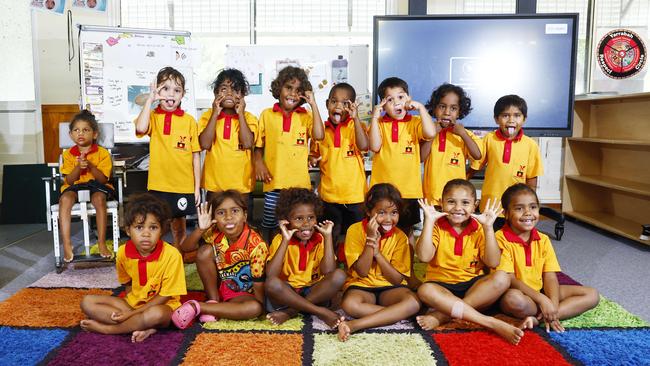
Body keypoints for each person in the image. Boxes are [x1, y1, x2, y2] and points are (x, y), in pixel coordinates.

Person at [415, 179, 524, 344]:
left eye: (465, 203)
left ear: (475, 205)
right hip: (442, 286)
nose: (458, 208)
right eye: (451, 202)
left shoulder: (480, 227)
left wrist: (488, 228)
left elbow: (493, 262)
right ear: (441, 203)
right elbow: (424, 256)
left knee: (502, 278)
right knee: (424, 290)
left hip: (473, 288)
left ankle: (443, 315)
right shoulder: (436, 226)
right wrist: (428, 222)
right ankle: (491, 322)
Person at [79, 193, 187, 342]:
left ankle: (108, 329)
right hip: (132, 305)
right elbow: (128, 284)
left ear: (161, 230)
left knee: (156, 315)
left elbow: (165, 296)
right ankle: (143, 326)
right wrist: (132, 311)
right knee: (87, 302)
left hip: (164, 306)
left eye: (153, 227)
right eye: (139, 227)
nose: (146, 234)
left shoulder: (172, 255)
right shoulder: (123, 252)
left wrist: (130, 315)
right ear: (128, 230)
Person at [497, 183, 599, 332]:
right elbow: (511, 280)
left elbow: (550, 277)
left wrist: (552, 304)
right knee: (513, 299)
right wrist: (542, 300)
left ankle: (545, 317)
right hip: (518, 293)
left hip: (541, 290)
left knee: (592, 295)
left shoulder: (543, 239)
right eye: (519, 208)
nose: (527, 213)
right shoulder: (500, 239)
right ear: (506, 213)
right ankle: (544, 314)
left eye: (533, 207)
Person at [172, 190, 268, 328]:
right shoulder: (214, 232)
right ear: (214, 217)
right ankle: (213, 301)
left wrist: (261, 310)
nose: (229, 217)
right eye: (221, 212)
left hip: (245, 293)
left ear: (245, 216)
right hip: (221, 287)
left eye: (235, 211)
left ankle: (199, 306)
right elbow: (186, 247)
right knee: (204, 251)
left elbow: (259, 283)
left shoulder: (256, 245)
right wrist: (201, 229)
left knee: (254, 308)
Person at [337, 183, 421, 341]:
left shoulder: (400, 237)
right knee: (349, 304)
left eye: (394, 212)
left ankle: (355, 325)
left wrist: (378, 254)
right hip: (362, 286)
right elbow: (362, 272)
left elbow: (396, 279)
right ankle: (394, 314)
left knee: (413, 301)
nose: (388, 219)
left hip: (390, 287)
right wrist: (370, 240)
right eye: (381, 212)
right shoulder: (354, 230)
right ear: (369, 212)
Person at [254, 66, 325, 241]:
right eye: (288, 88)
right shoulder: (267, 115)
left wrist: (313, 104)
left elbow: (319, 135)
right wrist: (259, 163)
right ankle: (268, 256)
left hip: (299, 186)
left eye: (298, 90)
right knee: (271, 224)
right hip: (274, 182)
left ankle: (295, 258)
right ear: (279, 88)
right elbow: (258, 145)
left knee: (298, 225)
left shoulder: (306, 116)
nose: (293, 94)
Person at [135, 67, 201, 252]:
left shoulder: (189, 121)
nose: (171, 94)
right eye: (165, 89)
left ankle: (178, 257)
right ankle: (158, 256)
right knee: (157, 224)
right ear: (158, 91)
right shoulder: (153, 117)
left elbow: (196, 156)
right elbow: (140, 128)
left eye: (177, 90)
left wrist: (196, 188)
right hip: (158, 185)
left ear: (183, 94)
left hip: (182, 185)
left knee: (179, 226)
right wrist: (150, 99)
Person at [264, 188, 346, 329]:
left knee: (339, 275)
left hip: (314, 292)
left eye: (310, 217)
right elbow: (271, 275)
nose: (306, 223)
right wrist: (285, 240)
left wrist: (327, 238)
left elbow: (329, 271)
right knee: (272, 284)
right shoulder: (280, 239)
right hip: (287, 294)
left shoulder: (320, 238)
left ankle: (290, 312)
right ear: (287, 221)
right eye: (298, 218)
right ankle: (319, 312)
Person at [368, 77, 436, 238]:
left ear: (408, 98)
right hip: (382, 192)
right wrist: (375, 117)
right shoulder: (379, 124)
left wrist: (420, 108)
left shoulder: (415, 122)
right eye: (390, 99)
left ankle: (407, 263)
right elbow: (375, 146)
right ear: (383, 104)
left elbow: (431, 133)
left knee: (407, 233)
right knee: (380, 232)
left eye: (401, 97)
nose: (397, 103)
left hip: (408, 192)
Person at [309, 82, 368, 248]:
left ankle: (352, 269)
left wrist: (355, 118)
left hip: (355, 197)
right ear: (327, 104)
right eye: (334, 101)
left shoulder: (357, 127)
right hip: (328, 197)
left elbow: (364, 146)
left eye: (345, 103)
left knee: (355, 238)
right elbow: (313, 155)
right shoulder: (320, 131)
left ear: (352, 107)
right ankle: (331, 266)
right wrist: (312, 159)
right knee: (330, 237)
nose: (338, 106)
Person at [469, 95, 543, 217]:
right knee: (489, 234)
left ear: (524, 119)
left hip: (517, 206)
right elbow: (475, 166)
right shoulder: (489, 139)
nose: (511, 120)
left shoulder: (531, 145)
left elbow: (531, 179)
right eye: (505, 115)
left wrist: (530, 204)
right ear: (496, 119)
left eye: (517, 115)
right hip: (490, 205)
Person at [58, 109, 115, 261]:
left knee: (99, 199)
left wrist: (90, 166)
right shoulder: (68, 154)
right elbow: (69, 181)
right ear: (70, 135)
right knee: (65, 199)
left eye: (85, 130)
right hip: (75, 186)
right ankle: (67, 244)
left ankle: (102, 243)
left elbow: (103, 180)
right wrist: (78, 167)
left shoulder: (102, 153)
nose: (80, 133)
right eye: (76, 130)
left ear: (94, 134)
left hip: (96, 185)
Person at [198, 69, 257, 205]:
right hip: (214, 185)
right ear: (215, 93)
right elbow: (204, 144)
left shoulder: (249, 118)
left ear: (243, 95)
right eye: (224, 89)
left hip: (242, 186)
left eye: (236, 90)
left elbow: (248, 143)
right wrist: (215, 114)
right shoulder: (207, 116)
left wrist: (240, 114)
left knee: (240, 222)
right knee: (213, 222)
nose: (229, 94)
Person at [421, 83, 481, 206]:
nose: (447, 112)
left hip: (457, 199)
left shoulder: (464, 134)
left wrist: (463, 134)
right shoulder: (427, 132)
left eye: (453, 108)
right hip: (432, 198)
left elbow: (477, 155)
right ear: (434, 108)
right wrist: (432, 134)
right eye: (442, 106)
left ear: (459, 112)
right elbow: (421, 158)